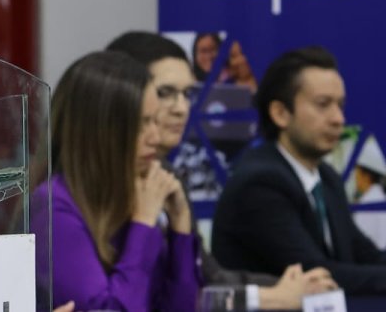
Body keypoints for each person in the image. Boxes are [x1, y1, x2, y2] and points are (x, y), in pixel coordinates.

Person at [107, 31, 336, 310]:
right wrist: (271, 297)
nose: (182, 108)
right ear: (122, 93)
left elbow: (206, 276)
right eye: (165, 93)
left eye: (187, 94)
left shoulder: (167, 174)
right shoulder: (89, 184)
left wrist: (287, 287)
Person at [32, 51, 201, 312]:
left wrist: (180, 227)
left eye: (155, 121)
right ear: (101, 131)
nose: (155, 138)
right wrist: (143, 225)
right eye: (142, 124)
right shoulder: (54, 208)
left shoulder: (132, 195)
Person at [211, 46, 386, 295]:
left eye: (340, 105)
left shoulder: (327, 177)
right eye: (323, 104)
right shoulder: (260, 183)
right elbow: (315, 275)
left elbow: (364, 255)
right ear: (280, 113)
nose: (338, 118)